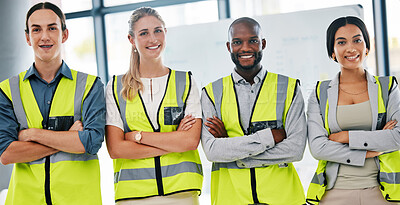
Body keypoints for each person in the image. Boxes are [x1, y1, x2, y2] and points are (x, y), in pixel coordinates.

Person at [0, 2, 105, 205]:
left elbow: (91, 142)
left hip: (78, 200)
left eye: (52, 28)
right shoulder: (7, 90)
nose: (44, 36)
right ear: (27, 37)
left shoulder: (90, 86)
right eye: (36, 29)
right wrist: (69, 138)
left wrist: (32, 135)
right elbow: (6, 153)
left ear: (64, 34)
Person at [201, 17, 307, 205]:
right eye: (237, 42)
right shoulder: (211, 93)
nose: (245, 48)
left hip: (283, 200)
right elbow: (213, 151)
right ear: (228, 47)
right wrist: (269, 138)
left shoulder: (289, 88)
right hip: (231, 199)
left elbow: (295, 149)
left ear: (263, 43)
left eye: (253, 40)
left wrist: (231, 146)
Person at [105, 7, 203, 205]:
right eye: (144, 33)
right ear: (131, 40)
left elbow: (190, 142)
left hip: (182, 193)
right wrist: (173, 142)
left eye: (158, 30)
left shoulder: (186, 82)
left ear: (166, 33)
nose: (153, 39)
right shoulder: (115, 87)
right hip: (133, 196)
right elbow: (116, 149)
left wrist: (138, 137)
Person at [306, 16, 400, 205]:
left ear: (366, 47)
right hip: (333, 192)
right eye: (341, 42)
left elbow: (397, 138)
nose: (351, 48)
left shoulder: (388, 87)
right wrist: (368, 151)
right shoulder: (319, 92)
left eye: (357, 40)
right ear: (332, 52)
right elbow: (318, 147)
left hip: (383, 192)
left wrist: (346, 136)